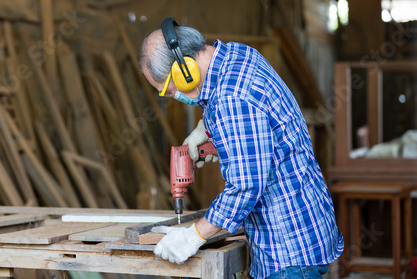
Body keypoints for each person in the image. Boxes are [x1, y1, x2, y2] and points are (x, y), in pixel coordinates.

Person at [138, 18, 344, 279]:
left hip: (288, 247)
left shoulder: (231, 99)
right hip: (305, 223)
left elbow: (246, 186)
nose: (173, 96)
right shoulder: (235, 55)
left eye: (169, 90)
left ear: (184, 72)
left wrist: (193, 236)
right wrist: (209, 127)